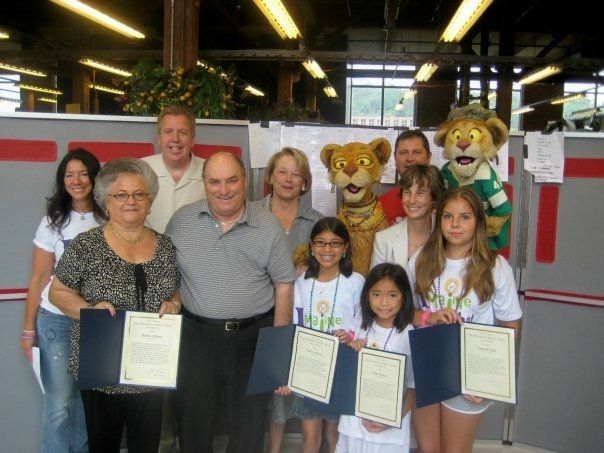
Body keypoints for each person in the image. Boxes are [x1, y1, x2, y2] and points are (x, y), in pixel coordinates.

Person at [165, 152, 295, 453]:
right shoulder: (182, 222)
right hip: (196, 339)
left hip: (252, 340)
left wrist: (276, 353)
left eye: (232, 180)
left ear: (245, 182)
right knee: (193, 426)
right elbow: (168, 275)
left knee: (248, 431)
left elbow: (284, 286)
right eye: (215, 182)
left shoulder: (269, 227)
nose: (224, 190)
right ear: (204, 184)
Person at [49, 158, 181, 453]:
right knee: (102, 445)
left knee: (146, 445)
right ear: (106, 201)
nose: (131, 201)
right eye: (121, 194)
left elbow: (176, 292)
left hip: (150, 369)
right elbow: (58, 292)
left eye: (139, 194)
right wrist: (89, 309)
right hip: (102, 369)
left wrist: (173, 304)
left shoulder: (166, 246)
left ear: (149, 201)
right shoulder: (86, 245)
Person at [407, 187, 522, 453]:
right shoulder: (420, 260)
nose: (455, 224)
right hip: (426, 368)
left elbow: (511, 326)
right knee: (428, 449)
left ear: (478, 222)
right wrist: (429, 317)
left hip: (470, 375)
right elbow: (404, 314)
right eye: (448, 216)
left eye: (465, 217)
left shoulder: (494, 266)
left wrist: (487, 379)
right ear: (439, 220)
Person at [21, 149, 105, 453]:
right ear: (62, 180)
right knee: (59, 404)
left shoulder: (109, 216)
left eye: (83, 173)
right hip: (56, 319)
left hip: (96, 323)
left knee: (86, 401)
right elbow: (39, 277)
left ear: (95, 177)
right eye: (70, 175)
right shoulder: (53, 222)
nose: (77, 180)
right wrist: (28, 330)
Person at [276, 217, 363, 453]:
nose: (327, 250)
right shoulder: (301, 281)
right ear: (312, 246)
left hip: (341, 370)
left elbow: (363, 324)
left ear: (345, 247)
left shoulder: (355, 282)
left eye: (335, 244)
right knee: (309, 437)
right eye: (321, 243)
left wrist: (351, 336)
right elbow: (294, 323)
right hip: (309, 370)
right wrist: (288, 371)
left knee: (334, 437)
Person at [262, 147, 323, 453]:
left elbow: (330, 265)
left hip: (304, 319)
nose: (288, 179)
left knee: (303, 392)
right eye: (282, 171)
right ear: (270, 177)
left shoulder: (317, 223)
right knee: (273, 393)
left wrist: (312, 267)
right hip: (259, 316)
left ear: (305, 182)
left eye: (296, 173)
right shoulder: (251, 214)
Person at [335, 263, 416, 453]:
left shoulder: (407, 334)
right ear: (367, 296)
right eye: (376, 294)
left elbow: (413, 387)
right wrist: (350, 349)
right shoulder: (360, 325)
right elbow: (345, 373)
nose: (384, 303)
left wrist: (391, 420)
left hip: (389, 430)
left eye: (392, 295)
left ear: (404, 297)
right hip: (354, 422)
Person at [142, 104, 205, 233]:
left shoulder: (210, 171)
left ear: (192, 139)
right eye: (168, 132)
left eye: (182, 132)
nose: (175, 139)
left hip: (196, 251)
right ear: (159, 138)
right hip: (149, 251)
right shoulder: (140, 169)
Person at [371, 164, 444, 269]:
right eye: (407, 192)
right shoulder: (383, 240)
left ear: (434, 197)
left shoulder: (446, 236)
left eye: (420, 192)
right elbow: (376, 284)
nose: (412, 200)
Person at [379, 130, 432, 226]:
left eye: (417, 152)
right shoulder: (381, 204)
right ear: (395, 158)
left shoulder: (443, 201)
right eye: (403, 153)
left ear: (429, 158)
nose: (410, 158)